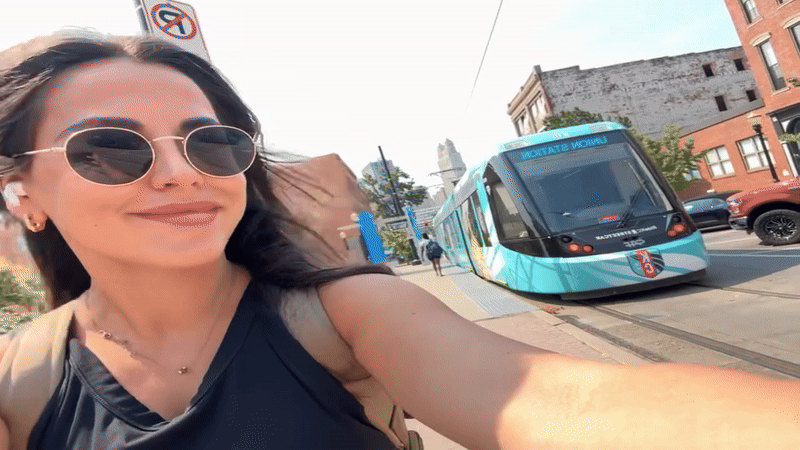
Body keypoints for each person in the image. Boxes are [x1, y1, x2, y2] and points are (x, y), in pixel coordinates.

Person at [0, 30, 797, 450]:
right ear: (23, 192)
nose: (181, 172)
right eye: (109, 148)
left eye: (211, 144)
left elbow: (549, 400)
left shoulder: (350, 315)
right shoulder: (18, 377)